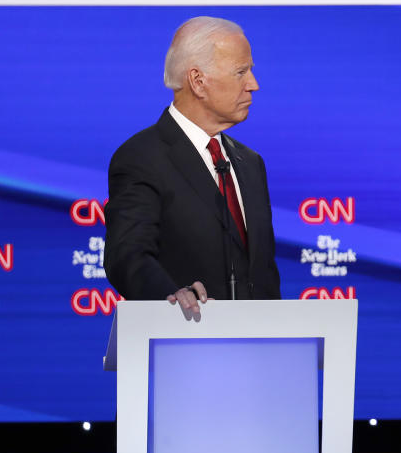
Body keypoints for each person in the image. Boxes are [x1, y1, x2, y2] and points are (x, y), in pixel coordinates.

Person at [105, 16, 281, 318]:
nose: (254, 84)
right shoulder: (142, 157)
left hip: (260, 355)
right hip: (185, 345)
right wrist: (170, 296)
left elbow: (262, 275)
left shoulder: (250, 164)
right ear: (198, 81)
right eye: (241, 72)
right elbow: (128, 255)